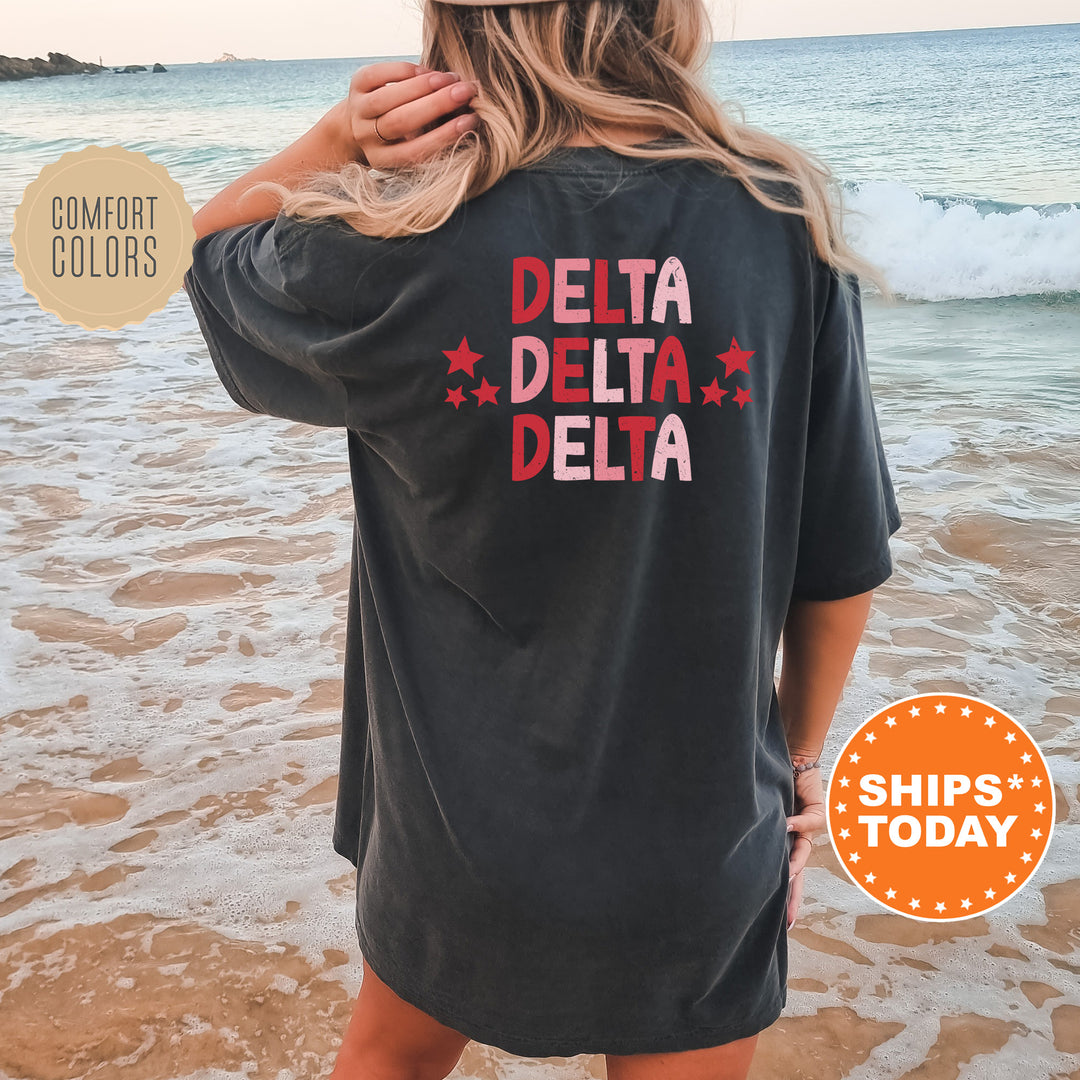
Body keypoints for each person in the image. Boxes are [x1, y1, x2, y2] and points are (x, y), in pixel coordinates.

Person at [182, 0, 903, 1077]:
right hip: (697, 833)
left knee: (388, 1058)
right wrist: (801, 764)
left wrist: (338, 142)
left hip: (455, 835)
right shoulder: (779, 220)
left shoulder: (393, 239)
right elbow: (841, 559)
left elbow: (201, 253)